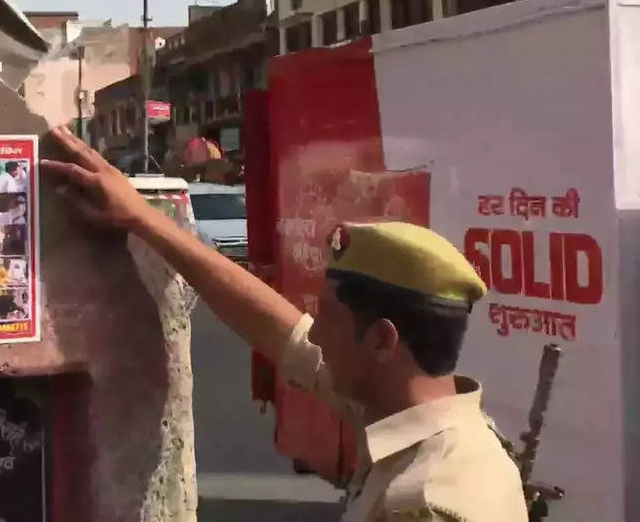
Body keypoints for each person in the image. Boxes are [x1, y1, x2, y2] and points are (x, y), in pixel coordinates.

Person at [41, 126, 527, 522]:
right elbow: (278, 329)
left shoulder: (427, 502)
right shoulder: (433, 420)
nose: (314, 332)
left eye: (329, 321)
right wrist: (142, 218)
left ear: (382, 340)